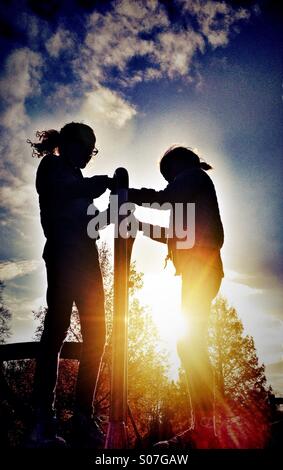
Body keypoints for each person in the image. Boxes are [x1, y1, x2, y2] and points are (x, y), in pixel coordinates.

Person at [129, 146, 224, 448]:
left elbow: (163, 198)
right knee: (190, 345)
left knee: (190, 345)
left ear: (179, 165)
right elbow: (173, 234)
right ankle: (205, 424)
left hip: (202, 270)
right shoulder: (191, 194)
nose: (169, 182)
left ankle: (206, 426)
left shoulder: (194, 177)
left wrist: (126, 193)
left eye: (168, 176)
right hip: (199, 271)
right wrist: (140, 226)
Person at [27, 122, 112, 447]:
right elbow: (61, 191)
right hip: (63, 255)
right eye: (88, 149)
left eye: (93, 151)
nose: (90, 155)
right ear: (71, 145)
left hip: (88, 262)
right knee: (57, 329)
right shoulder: (52, 167)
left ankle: (82, 415)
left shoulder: (77, 179)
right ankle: (42, 418)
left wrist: (115, 211)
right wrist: (99, 183)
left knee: (98, 335)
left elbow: (91, 224)